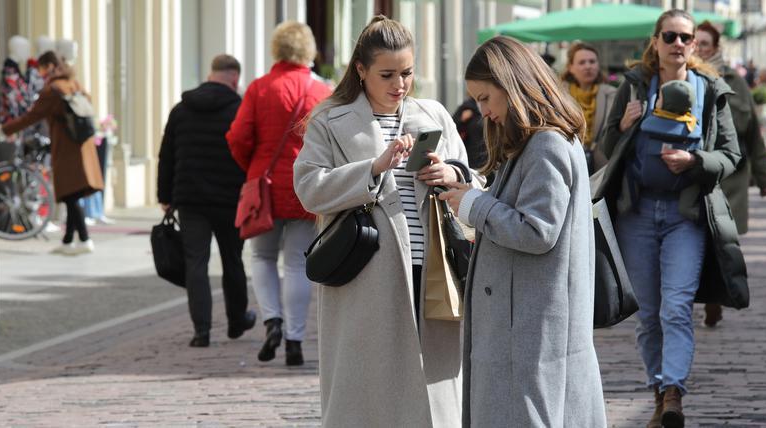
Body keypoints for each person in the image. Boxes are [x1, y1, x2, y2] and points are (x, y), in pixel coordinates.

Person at [293, 16, 479, 427]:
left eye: (407, 73)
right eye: (388, 74)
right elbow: (308, 187)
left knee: (434, 385)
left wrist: (451, 175)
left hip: (433, 267)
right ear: (361, 71)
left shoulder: (433, 115)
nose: (400, 84)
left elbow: (473, 180)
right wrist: (373, 169)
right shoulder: (330, 119)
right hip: (366, 272)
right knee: (369, 388)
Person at [436, 35, 607, 428]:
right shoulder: (537, 142)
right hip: (527, 323)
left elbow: (537, 231)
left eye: (485, 98)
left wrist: (474, 205)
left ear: (510, 86)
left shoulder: (545, 145)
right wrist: (471, 193)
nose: (482, 111)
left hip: (530, 329)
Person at [595, 9, 744, 428]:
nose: (678, 44)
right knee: (648, 313)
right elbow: (606, 147)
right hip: (636, 213)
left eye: (685, 37)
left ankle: (674, 388)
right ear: (656, 41)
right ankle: (659, 391)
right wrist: (623, 126)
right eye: (670, 36)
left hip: (686, 215)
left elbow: (732, 155)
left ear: (694, 44)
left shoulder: (711, 89)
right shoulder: (634, 85)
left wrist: (695, 160)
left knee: (676, 307)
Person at [225, 21, 332, 366]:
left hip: (266, 186)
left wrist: (253, 167)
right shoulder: (321, 91)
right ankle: (295, 340)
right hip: (306, 186)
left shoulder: (260, 87)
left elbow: (238, 137)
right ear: (308, 50)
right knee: (298, 263)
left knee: (262, 257)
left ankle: (272, 320)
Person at [158, 54, 256, 348]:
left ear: (211, 74)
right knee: (232, 260)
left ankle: (201, 331)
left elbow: (167, 155)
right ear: (235, 79)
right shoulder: (239, 109)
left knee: (196, 263)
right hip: (229, 198)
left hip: (190, 199)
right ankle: (237, 321)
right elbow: (249, 150)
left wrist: (165, 196)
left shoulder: (181, 110)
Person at [694, 21, 766, 327]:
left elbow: (752, 131)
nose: (698, 48)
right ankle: (689, 297)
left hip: (730, 181)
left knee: (719, 242)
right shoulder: (674, 78)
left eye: (704, 44)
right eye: (694, 42)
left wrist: (764, 175)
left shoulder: (734, 82)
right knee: (691, 239)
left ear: (715, 48)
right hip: (692, 176)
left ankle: (714, 297)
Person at [0, 51, 103, 255]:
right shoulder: (73, 83)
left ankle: (85, 238)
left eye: (41, 69)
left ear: (49, 67)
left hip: (67, 148)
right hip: (83, 146)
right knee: (74, 193)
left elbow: (31, 116)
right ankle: (69, 240)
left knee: (70, 194)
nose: (40, 74)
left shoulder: (53, 90)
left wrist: (3, 129)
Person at [560, 41, 617, 173]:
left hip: (601, 166)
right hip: (567, 161)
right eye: (582, 62)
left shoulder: (611, 94)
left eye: (592, 61)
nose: (588, 66)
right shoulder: (559, 94)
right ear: (570, 67)